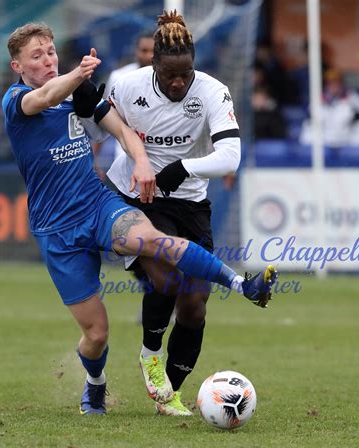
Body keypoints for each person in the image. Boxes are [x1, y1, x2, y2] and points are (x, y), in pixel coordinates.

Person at [2, 22, 277, 416]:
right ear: (17, 66)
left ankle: (241, 284)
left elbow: (122, 132)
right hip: (57, 229)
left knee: (153, 243)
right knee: (96, 335)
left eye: (50, 52)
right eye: (36, 56)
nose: (47, 60)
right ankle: (95, 383)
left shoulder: (77, 92)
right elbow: (44, 96)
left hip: (98, 205)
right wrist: (78, 75)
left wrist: (144, 160)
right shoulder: (17, 101)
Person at [100, 10, 266, 416]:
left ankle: (170, 393)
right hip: (140, 196)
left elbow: (230, 156)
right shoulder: (126, 86)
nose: (179, 82)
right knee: (166, 276)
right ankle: (150, 353)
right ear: (153, 65)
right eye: (171, 74)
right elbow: (104, 120)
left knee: (195, 304)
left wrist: (184, 167)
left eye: (186, 74)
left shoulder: (212, 91)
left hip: (190, 199)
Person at [93, 31, 155, 180]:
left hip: (160, 161)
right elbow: (105, 116)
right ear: (136, 51)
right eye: (144, 50)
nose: (149, 56)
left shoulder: (169, 82)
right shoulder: (119, 77)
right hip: (124, 161)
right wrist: (93, 158)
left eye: (154, 51)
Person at [299, 68, 359, 147]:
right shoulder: (318, 99)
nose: (334, 85)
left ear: (341, 83)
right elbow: (309, 122)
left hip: (347, 140)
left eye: (336, 82)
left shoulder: (354, 98)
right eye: (330, 82)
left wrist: (355, 144)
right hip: (325, 141)